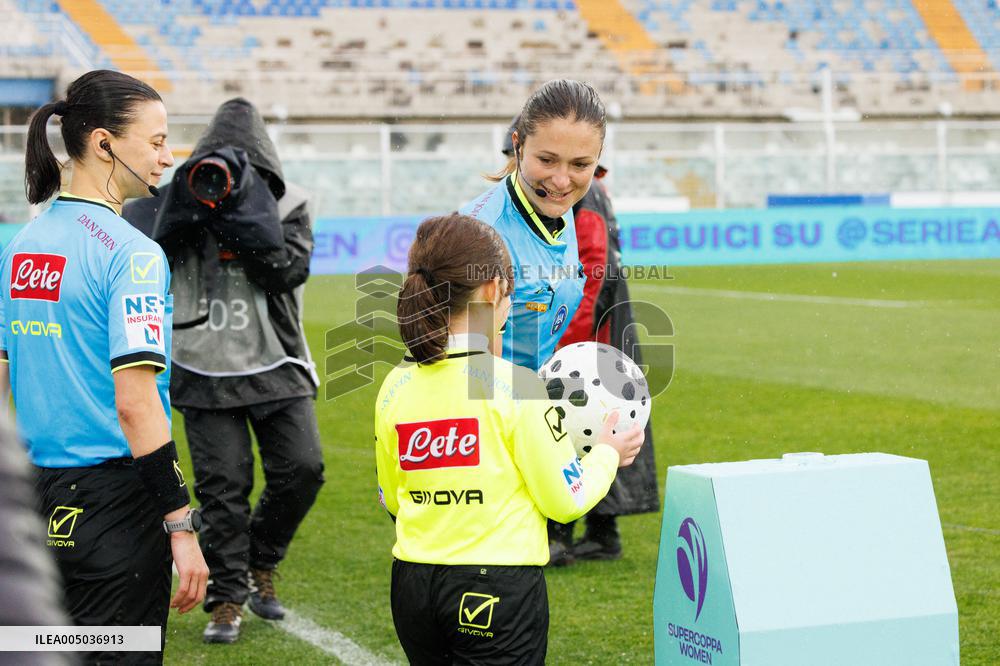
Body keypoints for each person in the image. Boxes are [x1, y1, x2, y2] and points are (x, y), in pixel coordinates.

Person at [0, 69, 208, 664]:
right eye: (158, 140)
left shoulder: (20, 247)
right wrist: (180, 523)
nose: (169, 156)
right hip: (113, 506)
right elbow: (135, 402)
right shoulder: (134, 256)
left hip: (35, 503)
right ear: (104, 144)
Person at [375, 213, 644, 663]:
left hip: (413, 585)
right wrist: (606, 453)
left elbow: (394, 499)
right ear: (490, 291)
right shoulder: (514, 386)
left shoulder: (396, 384)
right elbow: (565, 500)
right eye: (510, 292)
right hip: (495, 588)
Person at [123, 97, 325, 643]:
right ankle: (228, 599)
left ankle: (264, 559)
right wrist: (189, 208)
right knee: (222, 492)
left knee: (303, 469)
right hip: (201, 366)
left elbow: (286, 271)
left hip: (278, 361)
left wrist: (242, 210)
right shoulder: (176, 200)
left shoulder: (290, 202)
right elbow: (150, 256)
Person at [552, 154, 660, 565]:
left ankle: (564, 531)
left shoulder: (586, 195)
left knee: (578, 420)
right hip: (605, 326)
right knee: (604, 420)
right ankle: (600, 529)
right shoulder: (589, 190)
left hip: (596, 330)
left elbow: (593, 270)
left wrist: (566, 341)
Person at [459, 78, 607, 374]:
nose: (562, 181)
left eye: (580, 165)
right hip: (495, 413)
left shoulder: (558, 211)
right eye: (547, 160)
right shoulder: (479, 236)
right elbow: (475, 378)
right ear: (518, 147)